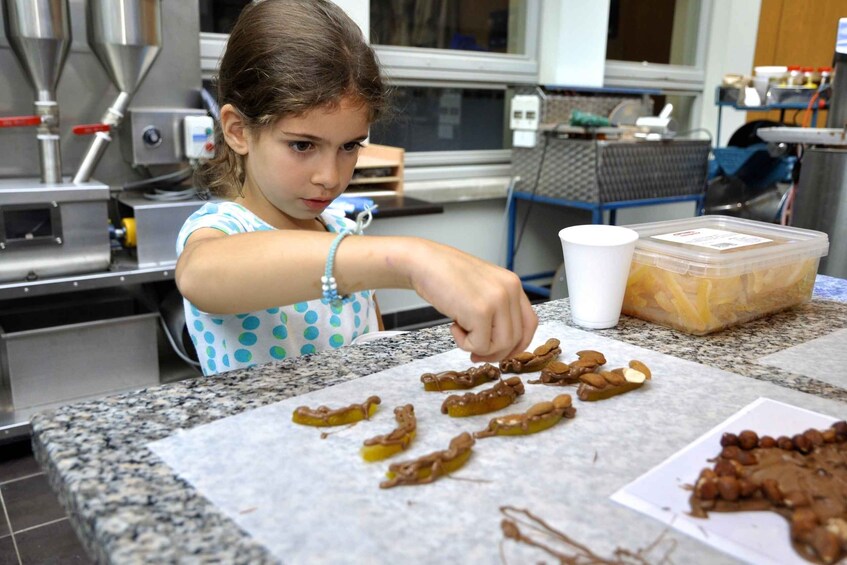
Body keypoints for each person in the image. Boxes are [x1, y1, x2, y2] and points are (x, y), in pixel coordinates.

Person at [175, 0, 537, 376]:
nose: (330, 177)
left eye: (349, 146)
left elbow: (373, 347)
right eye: (302, 145)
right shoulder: (222, 229)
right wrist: (409, 260)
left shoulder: (341, 231)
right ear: (238, 130)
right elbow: (199, 274)